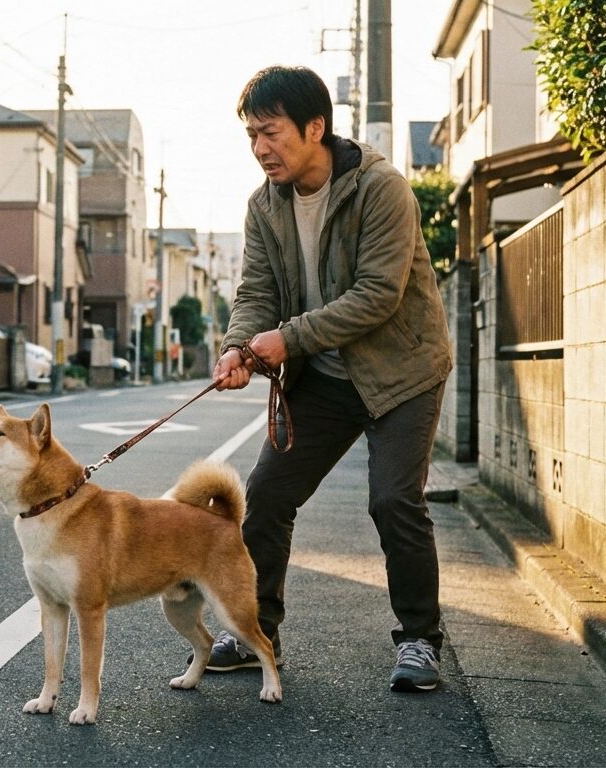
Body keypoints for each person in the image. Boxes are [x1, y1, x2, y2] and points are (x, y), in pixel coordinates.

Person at [204, 66, 453, 692]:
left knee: (394, 499)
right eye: (251, 136)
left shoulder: (381, 188)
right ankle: (259, 632)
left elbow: (377, 296)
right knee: (265, 494)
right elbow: (256, 291)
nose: (261, 148)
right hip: (324, 376)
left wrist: (285, 340)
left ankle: (421, 641)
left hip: (402, 371)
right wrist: (239, 346)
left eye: (271, 132)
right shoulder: (265, 205)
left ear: (315, 127)